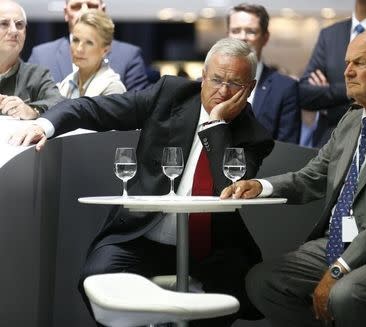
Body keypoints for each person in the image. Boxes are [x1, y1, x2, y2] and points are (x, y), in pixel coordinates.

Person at [10, 38, 274, 327]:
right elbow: (94, 109)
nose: (223, 91)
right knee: (96, 281)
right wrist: (43, 125)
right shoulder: (170, 95)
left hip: (211, 249)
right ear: (202, 77)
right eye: (217, 79)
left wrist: (216, 124)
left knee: (219, 306)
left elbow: (229, 188)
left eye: (235, 84)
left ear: (249, 87)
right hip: (142, 237)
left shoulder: (254, 135)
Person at [221, 31, 366, 327]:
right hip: (339, 241)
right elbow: (313, 176)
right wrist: (262, 186)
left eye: (360, 63)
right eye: (347, 62)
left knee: (345, 294)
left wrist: (340, 267)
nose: (347, 71)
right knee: (262, 281)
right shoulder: (352, 120)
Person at [298, 0, 366, 148]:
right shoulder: (330, 35)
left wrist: (327, 92)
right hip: (329, 139)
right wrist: (358, 89)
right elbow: (304, 94)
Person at [27, 0, 153, 91]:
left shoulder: (129, 55)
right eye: (76, 6)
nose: (84, 11)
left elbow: (137, 111)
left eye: (91, 5)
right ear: (66, 13)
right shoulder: (41, 55)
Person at [227, 3, 300, 144]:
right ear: (227, 35)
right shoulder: (204, 84)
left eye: (251, 31)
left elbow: (287, 148)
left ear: (265, 37)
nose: (242, 37)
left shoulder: (285, 88)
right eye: (235, 31)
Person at [0, 0, 63, 120]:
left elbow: (59, 103)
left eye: (19, 24)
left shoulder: (37, 75)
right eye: (4, 23)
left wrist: (32, 110)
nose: (14, 31)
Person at [57, 10, 126, 98]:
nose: (79, 49)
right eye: (75, 40)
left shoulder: (113, 89)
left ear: (105, 50)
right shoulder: (65, 84)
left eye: (89, 43)